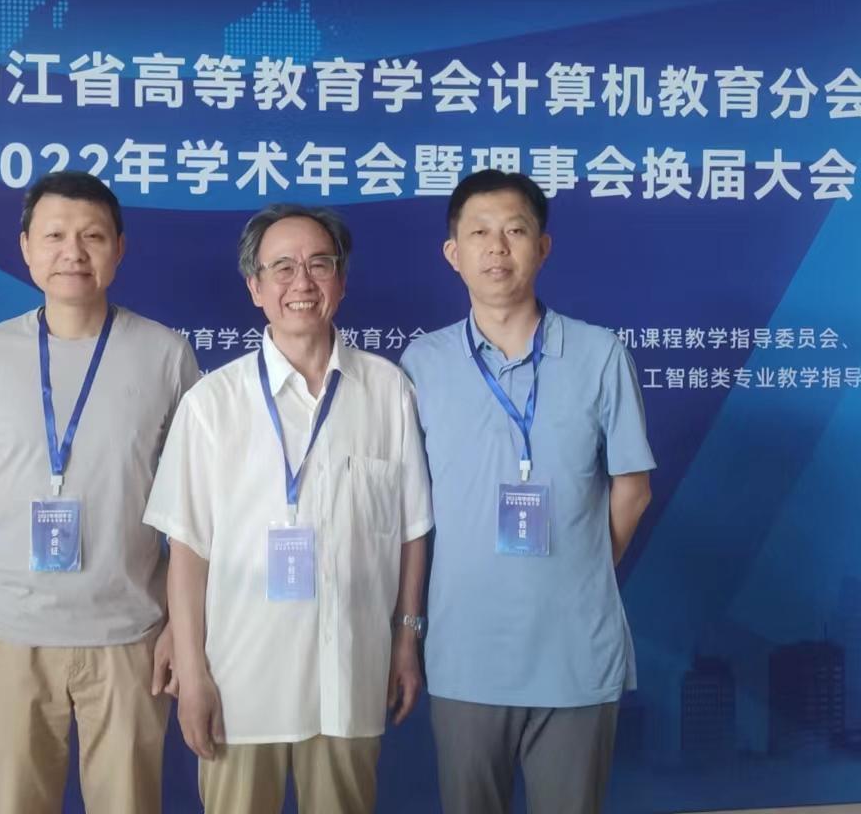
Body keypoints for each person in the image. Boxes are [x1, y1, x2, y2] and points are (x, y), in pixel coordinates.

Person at [144, 204, 433, 814]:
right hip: (240, 686)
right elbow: (187, 552)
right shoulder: (211, 403)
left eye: (319, 265)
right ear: (255, 287)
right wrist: (192, 674)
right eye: (282, 268)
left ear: (341, 281)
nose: (302, 282)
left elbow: (411, 531)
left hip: (349, 680)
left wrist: (406, 640)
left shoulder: (388, 392)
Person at [0, 171, 201, 814]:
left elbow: (196, 510)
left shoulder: (166, 354)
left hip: (131, 637)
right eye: (54, 236)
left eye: (92, 237)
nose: (72, 253)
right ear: (26, 247)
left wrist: (179, 629)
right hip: (10, 639)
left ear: (119, 248)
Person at [400, 169, 655, 814]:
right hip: (465, 652)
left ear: (542, 248)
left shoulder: (600, 354)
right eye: (479, 233)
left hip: (575, 652)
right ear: (452, 254)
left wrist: (581, 568)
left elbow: (633, 489)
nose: (497, 247)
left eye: (515, 231)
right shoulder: (420, 365)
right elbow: (407, 510)